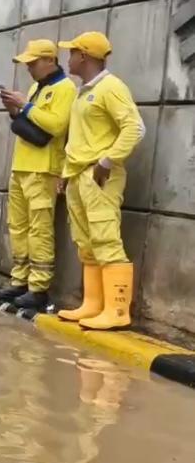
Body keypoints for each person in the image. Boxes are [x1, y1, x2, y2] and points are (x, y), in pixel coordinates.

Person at [55, 32, 144, 330]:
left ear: (84, 56)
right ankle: (93, 304)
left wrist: (107, 161)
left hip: (100, 175)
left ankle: (117, 311)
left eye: (72, 53)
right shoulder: (84, 92)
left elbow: (135, 128)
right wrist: (66, 173)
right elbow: (80, 138)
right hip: (79, 174)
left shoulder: (111, 87)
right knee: (86, 242)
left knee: (106, 239)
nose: (68, 59)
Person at [0, 40, 76, 310]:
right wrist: (14, 110)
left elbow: (57, 125)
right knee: (18, 227)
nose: (28, 68)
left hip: (44, 169)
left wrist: (25, 106)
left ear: (50, 60)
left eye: (33, 62)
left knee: (40, 229)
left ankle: (38, 288)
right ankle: (19, 281)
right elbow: (29, 122)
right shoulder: (36, 88)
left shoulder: (65, 88)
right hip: (21, 166)